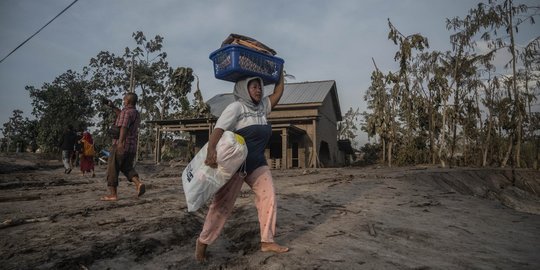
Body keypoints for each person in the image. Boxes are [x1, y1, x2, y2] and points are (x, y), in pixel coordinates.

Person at [195, 69, 288, 262]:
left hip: (257, 164)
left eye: (260, 87)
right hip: (235, 166)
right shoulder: (236, 107)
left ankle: (267, 241)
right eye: (253, 87)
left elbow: (278, 92)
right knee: (222, 206)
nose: (258, 91)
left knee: (268, 196)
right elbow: (218, 129)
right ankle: (202, 243)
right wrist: (211, 150)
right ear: (244, 89)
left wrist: (280, 75)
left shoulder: (263, 107)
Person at [100, 92, 145, 201]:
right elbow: (122, 115)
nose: (123, 101)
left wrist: (120, 143)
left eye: (124, 100)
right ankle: (138, 184)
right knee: (127, 167)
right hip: (131, 147)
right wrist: (113, 107)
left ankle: (113, 195)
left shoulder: (126, 112)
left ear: (128, 101)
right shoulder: (135, 113)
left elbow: (124, 127)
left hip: (120, 145)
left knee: (112, 169)